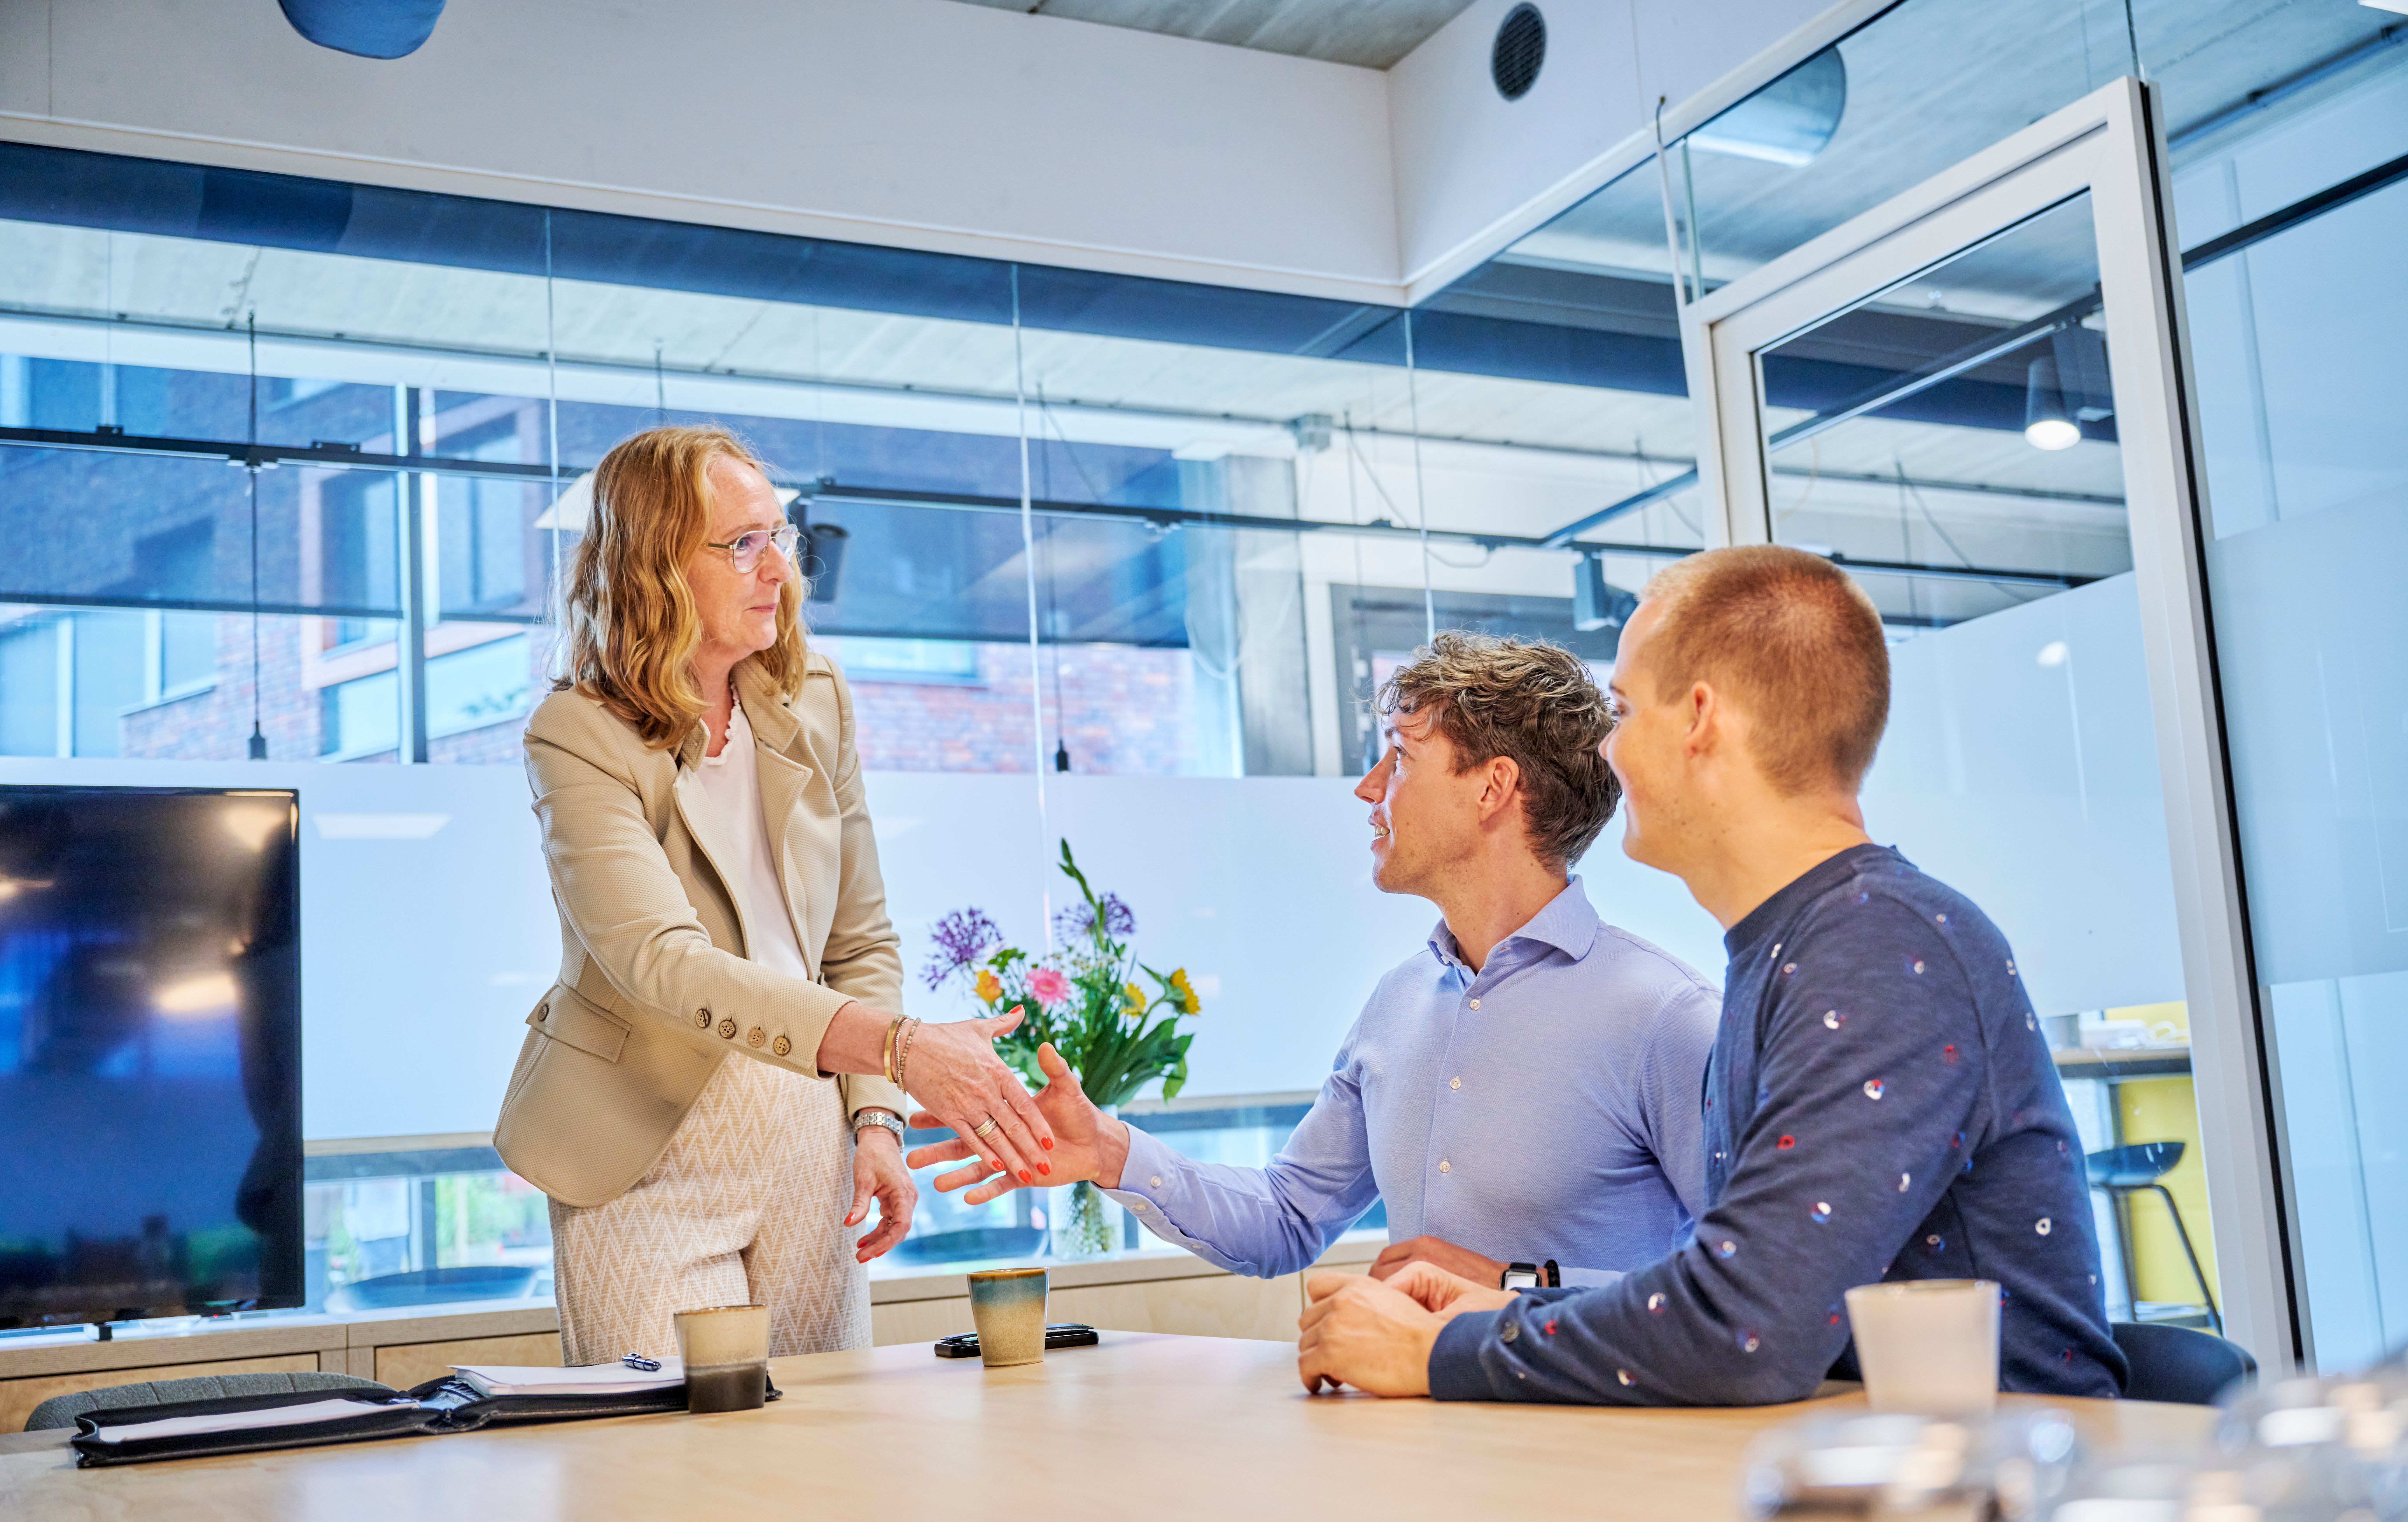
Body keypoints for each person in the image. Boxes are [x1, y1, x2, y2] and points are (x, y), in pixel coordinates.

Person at [1295, 546, 2126, 1405]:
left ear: (1700, 720)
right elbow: (1749, 1289)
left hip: (1989, 1472)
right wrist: (1512, 1302)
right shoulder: (1803, 946)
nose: (1607, 752)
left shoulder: (1879, 946)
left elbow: (1748, 1328)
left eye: (1623, 712)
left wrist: (1440, 1349)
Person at [910, 634, 1720, 1291]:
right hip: (1427, 1424)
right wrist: (1109, 1150)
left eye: (1400, 758)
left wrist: (1515, 1285)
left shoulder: (1665, 1018)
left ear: (1492, 788)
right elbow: (1288, 1217)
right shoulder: (1399, 1003)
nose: (1370, 788)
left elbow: (1749, 1290)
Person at [494, 424, 1054, 1366]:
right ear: (657, 567)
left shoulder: (816, 696)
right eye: (743, 544)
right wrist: (902, 1049)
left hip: (809, 1134)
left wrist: (875, 1118)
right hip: (645, 1152)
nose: (779, 570)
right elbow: (660, 961)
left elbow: (858, 941)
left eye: (780, 537)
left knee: (827, 1442)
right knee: (669, 1448)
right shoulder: (577, 733)